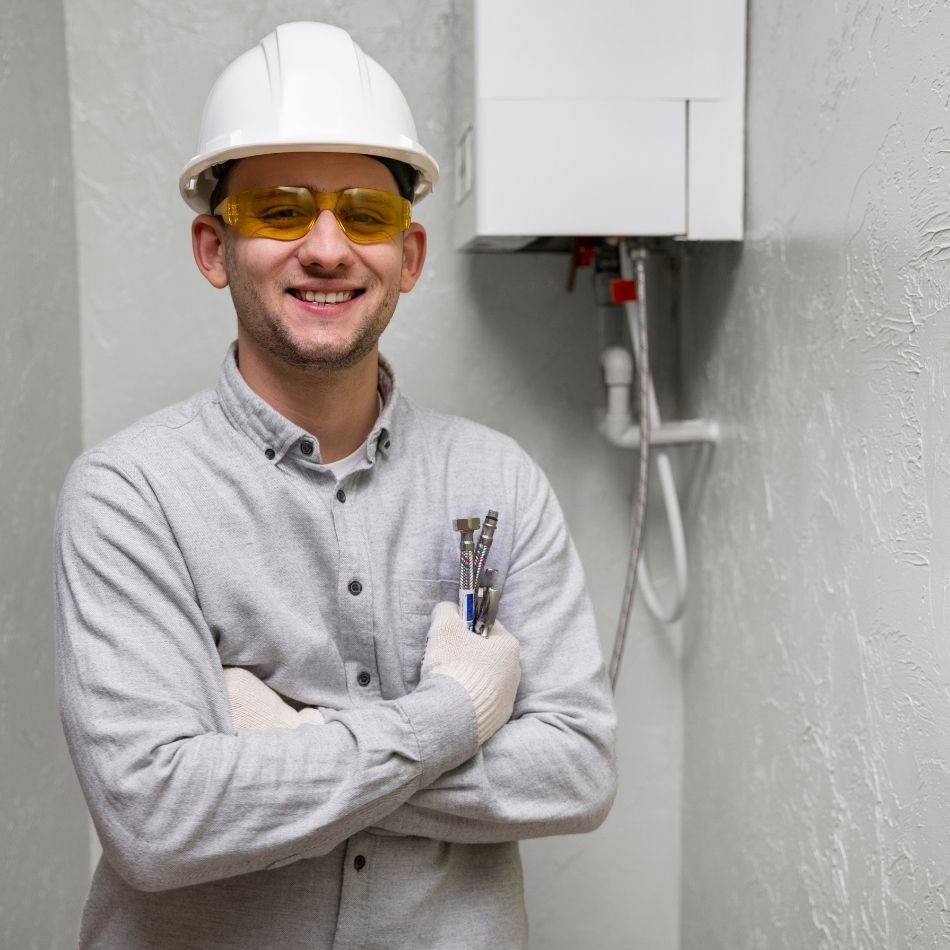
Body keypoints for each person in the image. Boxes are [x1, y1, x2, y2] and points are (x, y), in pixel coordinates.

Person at [54, 21, 616, 950]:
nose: (326, 248)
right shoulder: (129, 495)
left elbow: (577, 769)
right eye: (280, 212)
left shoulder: (498, 483)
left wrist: (289, 746)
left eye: (365, 215)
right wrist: (458, 713)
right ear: (213, 248)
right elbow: (154, 818)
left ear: (409, 255)